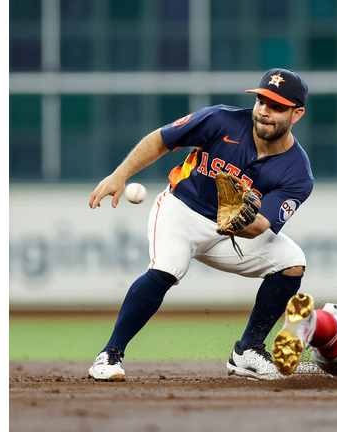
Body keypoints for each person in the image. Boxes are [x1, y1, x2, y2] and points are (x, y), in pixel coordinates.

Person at [86, 68, 314, 381]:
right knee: (168, 267)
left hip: (228, 234)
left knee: (292, 262)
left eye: (276, 106)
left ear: (296, 114)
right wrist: (120, 174)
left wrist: (242, 221)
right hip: (181, 210)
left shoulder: (297, 173)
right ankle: (109, 355)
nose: (263, 111)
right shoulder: (221, 120)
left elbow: (260, 226)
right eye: (262, 101)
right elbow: (161, 140)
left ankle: (247, 351)